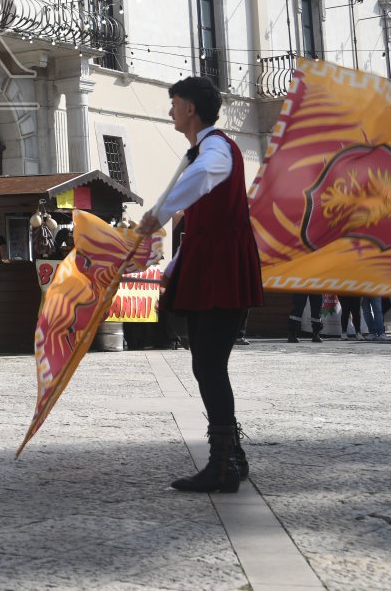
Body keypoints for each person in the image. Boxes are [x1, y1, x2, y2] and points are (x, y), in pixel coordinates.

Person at [138, 76, 262, 493]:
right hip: (209, 264)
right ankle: (233, 456)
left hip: (222, 269)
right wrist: (170, 269)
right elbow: (201, 228)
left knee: (209, 365)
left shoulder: (216, 149)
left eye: (173, 103)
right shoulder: (203, 150)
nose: (169, 111)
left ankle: (224, 464)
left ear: (190, 108)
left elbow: (204, 176)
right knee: (205, 364)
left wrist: (159, 210)